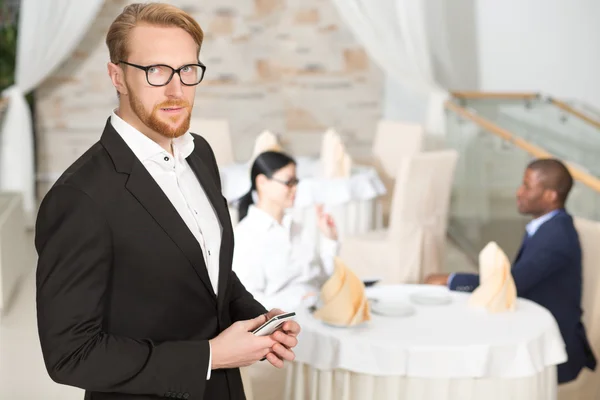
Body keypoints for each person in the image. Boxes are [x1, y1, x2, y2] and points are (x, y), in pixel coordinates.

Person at [35, 4, 300, 400]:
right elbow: (69, 354)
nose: (176, 90)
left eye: (187, 70)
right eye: (155, 71)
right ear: (117, 76)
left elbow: (209, 271)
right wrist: (210, 356)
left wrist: (256, 320)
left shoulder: (200, 155)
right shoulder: (80, 198)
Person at [425, 158, 596, 384]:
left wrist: (451, 280)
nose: (518, 192)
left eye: (527, 186)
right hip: (532, 327)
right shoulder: (548, 226)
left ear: (550, 195)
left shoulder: (557, 238)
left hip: (555, 351)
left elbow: (510, 283)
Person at [232, 151, 339, 311]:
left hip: (318, 315)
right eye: (289, 182)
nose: (295, 188)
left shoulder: (297, 228)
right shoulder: (246, 236)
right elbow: (248, 304)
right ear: (262, 182)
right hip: (282, 327)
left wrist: (330, 238)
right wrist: (299, 301)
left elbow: (321, 279)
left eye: (296, 182)